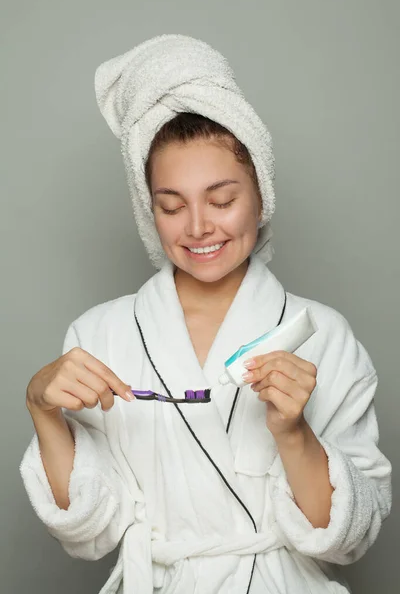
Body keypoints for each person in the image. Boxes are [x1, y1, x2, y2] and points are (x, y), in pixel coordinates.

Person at [19, 35, 392, 594]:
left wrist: (293, 433)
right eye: (171, 206)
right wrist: (40, 409)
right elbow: (86, 530)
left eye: (221, 201)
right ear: (151, 215)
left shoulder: (325, 337)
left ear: (261, 195)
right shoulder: (99, 334)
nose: (197, 227)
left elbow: (348, 539)